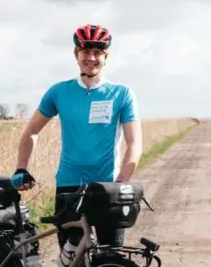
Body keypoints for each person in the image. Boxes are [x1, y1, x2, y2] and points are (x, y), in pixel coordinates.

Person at [9, 24, 143, 266]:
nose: (90, 58)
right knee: (72, 260)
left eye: (98, 52)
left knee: (109, 257)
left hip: (106, 186)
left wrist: (121, 184)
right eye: (85, 51)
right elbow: (31, 132)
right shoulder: (59, 92)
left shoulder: (121, 94)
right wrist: (21, 167)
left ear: (106, 56)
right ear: (76, 54)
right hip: (68, 186)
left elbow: (134, 144)